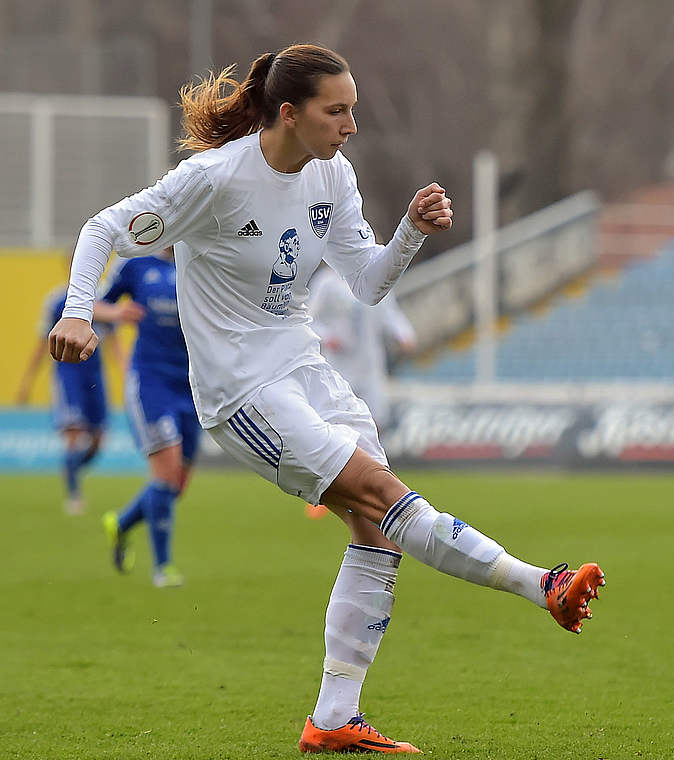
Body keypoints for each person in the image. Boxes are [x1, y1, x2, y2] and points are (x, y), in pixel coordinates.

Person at [49, 44, 604, 755]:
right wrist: (77, 309)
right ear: (290, 113)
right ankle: (542, 585)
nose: (349, 125)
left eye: (353, 110)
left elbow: (367, 283)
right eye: (335, 110)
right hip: (242, 390)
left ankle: (334, 717)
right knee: (382, 495)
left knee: (376, 532)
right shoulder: (215, 180)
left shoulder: (333, 175)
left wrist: (409, 232)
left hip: (305, 371)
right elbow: (104, 229)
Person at [97, 245, 200, 588]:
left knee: (176, 485)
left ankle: (122, 522)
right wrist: (118, 314)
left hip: (191, 384)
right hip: (151, 382)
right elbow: (95, 305)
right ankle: (163, 567)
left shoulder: (201, 261)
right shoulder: (135, 265)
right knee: (167, 473)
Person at [16, 263, 138, 515]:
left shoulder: (102, 302)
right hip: (68, 373)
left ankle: (71, 469)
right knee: (74, 434)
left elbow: (114, 344)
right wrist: (27, 381)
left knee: (97, 441)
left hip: (94, 375)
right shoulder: (57, 301)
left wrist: (128, 374)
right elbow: (42, 344)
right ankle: (74, 495)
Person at [308, 262, 416, 432]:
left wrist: (404, 335)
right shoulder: (327, 282)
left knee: (376, 418)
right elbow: (308, 318)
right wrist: (327, 337)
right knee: (339, 417)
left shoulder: (377, 281)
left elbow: (390, 313)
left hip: (369, 361)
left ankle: (374, 456)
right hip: (339, 363)